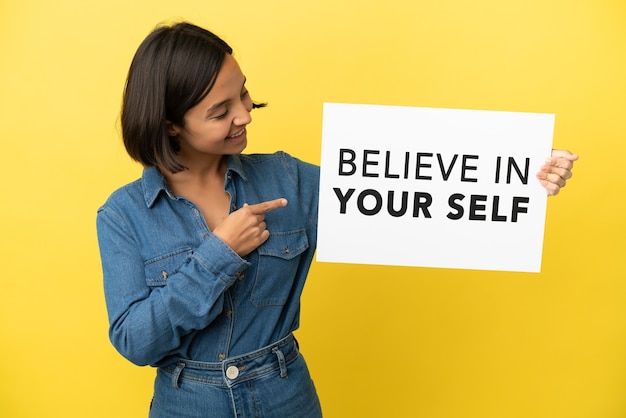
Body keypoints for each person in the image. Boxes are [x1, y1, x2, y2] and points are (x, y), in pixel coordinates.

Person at [96, 21, 578, 418]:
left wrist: (523, 174)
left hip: (285, 397)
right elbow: (136, 341)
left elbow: (411, 198)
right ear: (170, 124)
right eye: (221, 111)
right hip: (187, 405)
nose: (245, 114)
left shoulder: (287, 179)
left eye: (244, 95)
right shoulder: (123, 215)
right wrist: (217, 255)